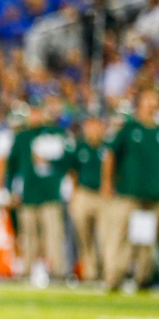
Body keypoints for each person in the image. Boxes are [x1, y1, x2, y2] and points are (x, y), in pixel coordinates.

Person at [102, 87, 159, 291]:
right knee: (120, 237)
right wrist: (107, 182)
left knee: (146, 240)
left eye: (154, 98)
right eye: (148, 98)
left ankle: (143, 279)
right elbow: (110, 155)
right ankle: (114, 278)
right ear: (140, 102)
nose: (152, 102)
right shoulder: (129, 128)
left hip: (155, 195)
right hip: (128, 194)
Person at [7, 99, 69, 282]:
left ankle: (58, 271)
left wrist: (50, 162)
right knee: (28, 237)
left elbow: (67, 161)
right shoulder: (22, 137)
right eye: (32, 112)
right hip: (28, 194)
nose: (34, 116)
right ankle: (26, 271)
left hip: (50, 193)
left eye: (37, 111)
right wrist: (10, 190)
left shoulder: (56, 133)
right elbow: (12, 166)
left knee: (53, 235)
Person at [66, 114, 107, 282]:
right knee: (84, 237)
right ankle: (90, 273)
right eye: (89, 125)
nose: (93, 129)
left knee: (104, 237)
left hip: (104, 196)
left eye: (96, 125)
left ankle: (106, 272)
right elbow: (73, 172)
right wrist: (74, 195)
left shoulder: (107, 147)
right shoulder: (80, 146)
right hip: (83, 194)